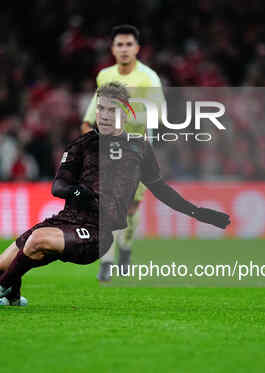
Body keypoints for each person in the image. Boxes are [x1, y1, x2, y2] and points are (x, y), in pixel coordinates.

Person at [0, 82, 229, 308]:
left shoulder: (138, 148)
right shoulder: (82, 144)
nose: (102, 114)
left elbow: (161, 189)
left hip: (96, 231)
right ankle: (13, 299)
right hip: (66, 219)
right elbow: (59, 187)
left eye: (110, 110)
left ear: (125, 113)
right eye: (100, 108)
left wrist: (199, 213)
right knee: (0, 265)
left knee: (36, 241)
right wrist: (83, 193)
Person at [81, 25, 166, 281]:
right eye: (120, 45)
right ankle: (106, 262)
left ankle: (126, 250)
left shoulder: (148, 78)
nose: (124, 49)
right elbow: (95, 109)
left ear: (137, 48)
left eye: (129, 45)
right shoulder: (104, 76)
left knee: (130, 209)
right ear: (113, 49)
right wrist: (88, 128)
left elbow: (159, 113)